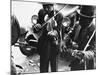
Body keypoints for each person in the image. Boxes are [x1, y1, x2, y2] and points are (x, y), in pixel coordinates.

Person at [33, 3, 63, 72]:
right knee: (43, 68)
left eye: (48, 7)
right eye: (44, 7)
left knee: (54, 68)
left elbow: (59, 30)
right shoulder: (41, 12)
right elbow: (37, 26)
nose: (46, 9)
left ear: (53, 5)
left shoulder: (59, 15)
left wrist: (54, 33)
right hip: (44, 44)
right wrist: (37, 26)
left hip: (54, 45)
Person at [68, 5, 96, 71]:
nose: (79, 20)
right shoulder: (78, 25)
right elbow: (70, 35)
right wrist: (68, 41)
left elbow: (95, 51)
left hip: (87, 65)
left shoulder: (95, 31)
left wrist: (83, 54)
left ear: (90, 20)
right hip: (74, 62)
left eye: (83, 18)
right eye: (80, 17)